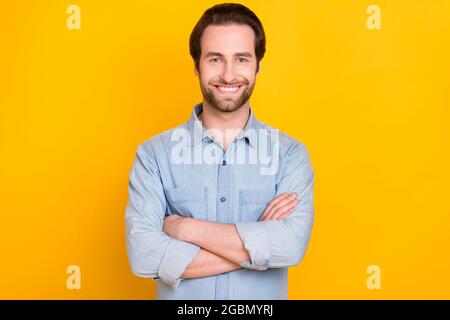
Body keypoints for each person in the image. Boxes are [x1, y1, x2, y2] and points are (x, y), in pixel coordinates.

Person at [125, 3, 314, 300]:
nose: (228, 75)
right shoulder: (153, 156)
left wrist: (185, 228)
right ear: (197, 65)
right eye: (215, 59)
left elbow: (290, 246)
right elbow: (144, 256)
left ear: (257, 66)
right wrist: (258, 242)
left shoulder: (290, 155)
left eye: (241, 59)